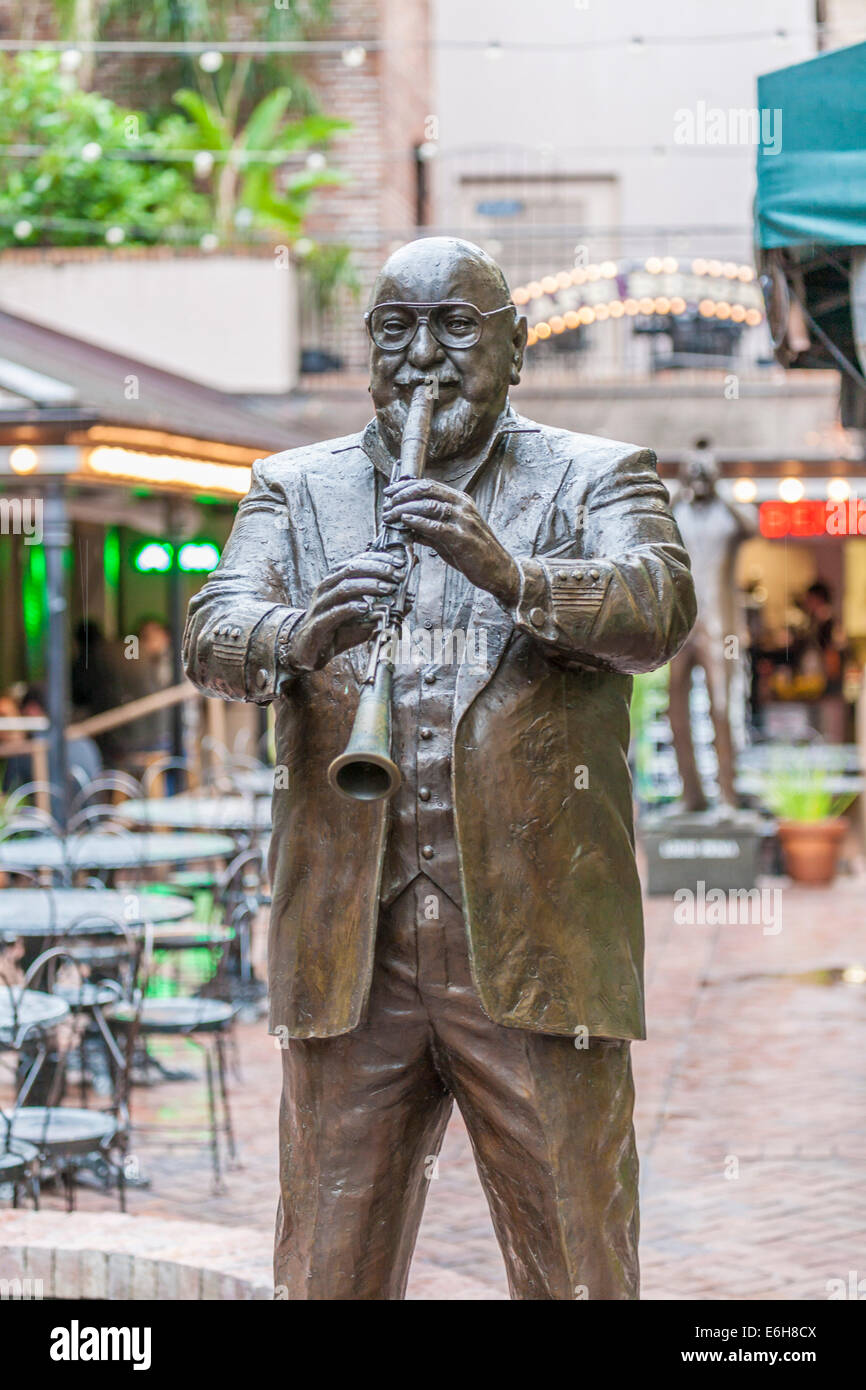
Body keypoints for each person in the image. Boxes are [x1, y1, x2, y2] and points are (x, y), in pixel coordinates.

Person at [184, 237, 696, 1300]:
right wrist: (294, 633)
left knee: (577, 1266)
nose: (423, 356)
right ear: (367, 354)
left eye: (456, 327)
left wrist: (510, 573)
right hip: (349, 959)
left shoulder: (597, 474)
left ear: (514, 350)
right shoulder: (293, 486)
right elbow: (213, 631)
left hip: (540, 955)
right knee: (326, 1272)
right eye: (395, 330)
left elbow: (654, 609)